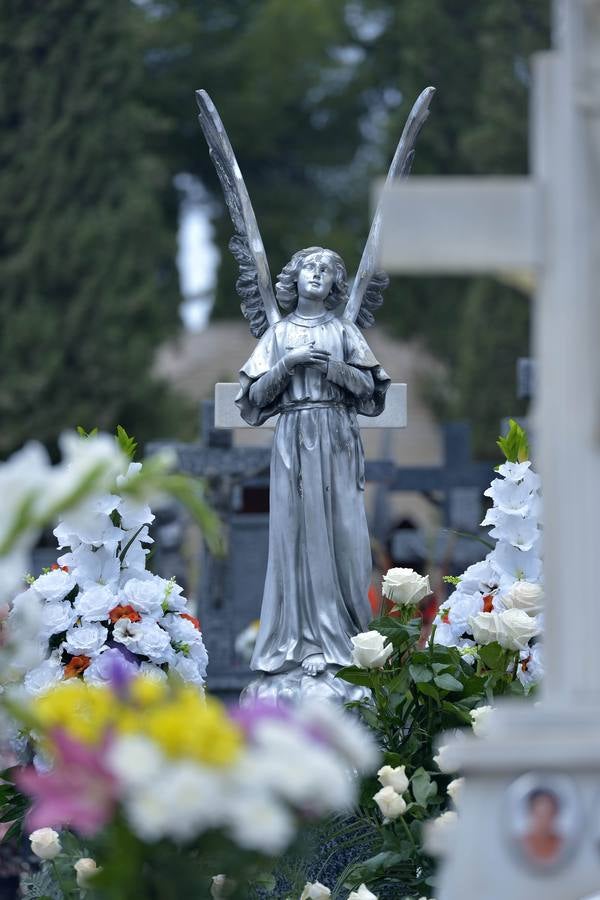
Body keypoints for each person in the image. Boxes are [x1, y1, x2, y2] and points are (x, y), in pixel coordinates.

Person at [236, 246, 390, 679]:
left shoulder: (343, 331)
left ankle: (350, 637)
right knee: (297, 538)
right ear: (294, 277)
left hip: (338, 437)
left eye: (327, 269)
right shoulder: (279, 334)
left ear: (336, 284)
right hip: (293, 436)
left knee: (347, 539)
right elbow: (254, 398)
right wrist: (288, 365)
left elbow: (371, 391)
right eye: (310, 267)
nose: (318, 274)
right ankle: (301, 642)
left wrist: (335, 369)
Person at [522, 789, 563, 863]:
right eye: (540, 815)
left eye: (548, 813)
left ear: (554, 814)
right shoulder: (523, 844)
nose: (544, 820)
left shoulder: (561, 843)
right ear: (532, 813)